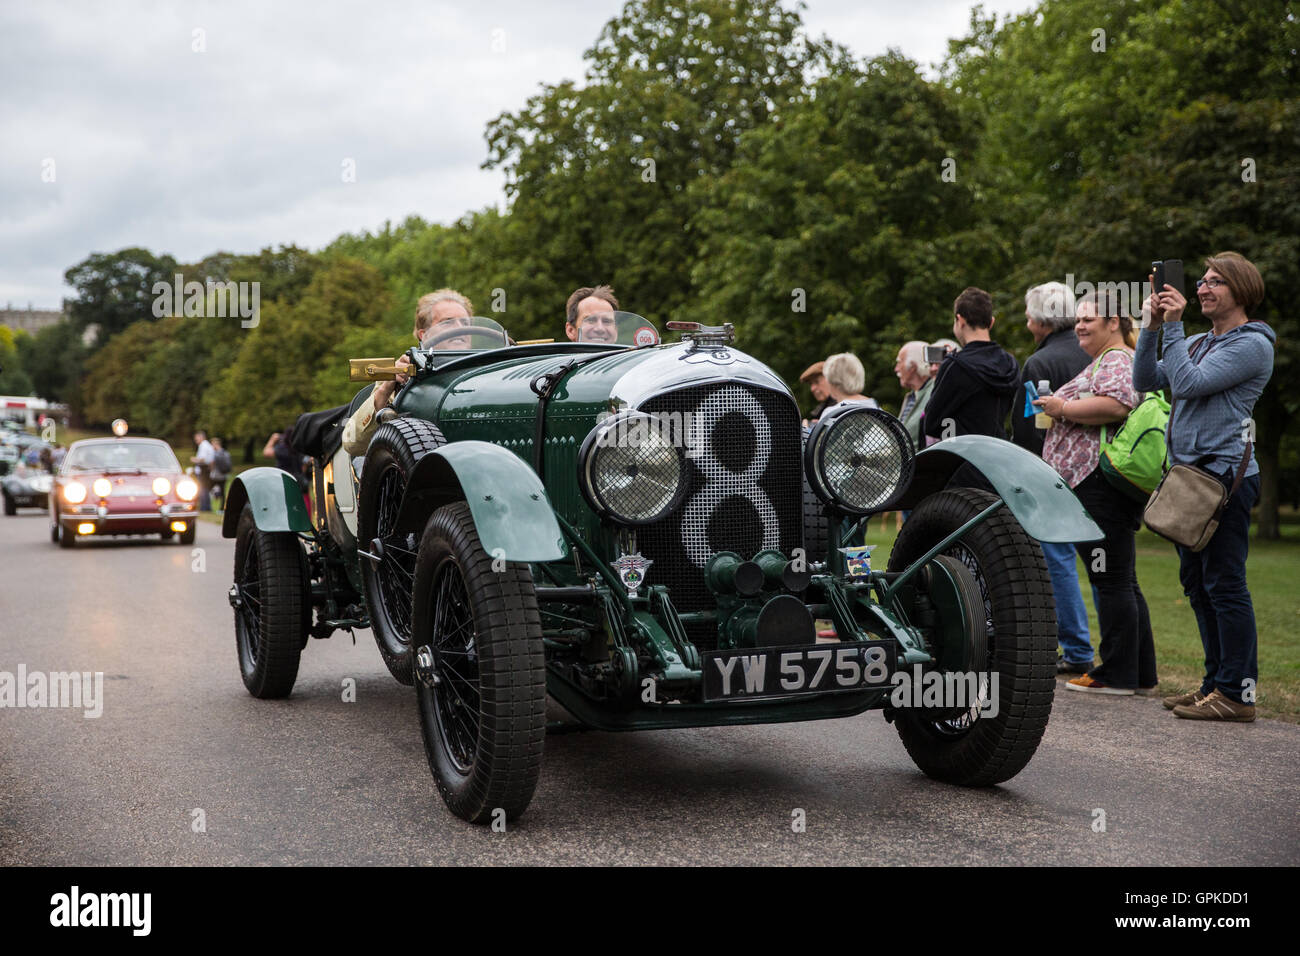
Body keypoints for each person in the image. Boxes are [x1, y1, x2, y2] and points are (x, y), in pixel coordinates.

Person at [1135, 252, 1275, 721]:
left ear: (1242, 292)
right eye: (1202, 280)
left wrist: (1172, 327)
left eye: (1217, 282)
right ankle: (1214, 684)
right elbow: (1144, 380)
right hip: (1189, 479)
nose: (1203, 288)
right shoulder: (1195, 341)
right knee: (1197, 585)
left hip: (1225, 481)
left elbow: (1190, 385)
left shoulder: (1252, 345)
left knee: (1226, 584)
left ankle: (1238, 695)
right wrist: (1152, 327)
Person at [1034, 291, 1153, 695]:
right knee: (1121, 579)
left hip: (1099, 484)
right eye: (1078, 319)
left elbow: (1117, 405)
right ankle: (1139, 672)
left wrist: (1060, 408)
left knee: (1111, 579)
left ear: (1114, 322)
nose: (1080, 325)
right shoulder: (1109, 359)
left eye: (1090, 319)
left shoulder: (1117, 359)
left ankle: (1116, 675)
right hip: (1098, 485)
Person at [1013, 282, 1095, 675]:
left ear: (1041, 320)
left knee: (1058, 560)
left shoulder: (1040, 363)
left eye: (1029, 316)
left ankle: (1078, 649)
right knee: (1107, 569)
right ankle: (1119, 657)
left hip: (1053, 470)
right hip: (1100, 469)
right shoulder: (1094, 351)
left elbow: (1029, 428)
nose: (1027, 323)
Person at [342, 289, 474, 456]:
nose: (460, 329)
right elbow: (352, 443)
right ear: (424, 335)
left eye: (465, 323)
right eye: (448, 322)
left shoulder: (491, 370)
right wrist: (387, 387)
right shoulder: (406, 373)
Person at [922, 289, 1020, 488]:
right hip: (1002, 464)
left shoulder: (956, 366)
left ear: (960, 320)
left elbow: (931, 422)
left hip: (964, 467)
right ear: (991, 322)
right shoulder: (1010, 363)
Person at [893, 341, 934, 449]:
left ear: (912, 367)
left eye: (899, 362)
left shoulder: (934, 393)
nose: (896, 369)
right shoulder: (911, 396)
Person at [193, 430, 215, 512]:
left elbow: (202, 458)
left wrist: (194, 460)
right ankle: (207, 506)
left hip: (203, 469)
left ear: (201, 437)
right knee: (205, 488)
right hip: (206, 469)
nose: (195, 440)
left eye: (196, 438)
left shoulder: (203, 445)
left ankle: (204, 507)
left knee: (202, 488)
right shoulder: (207, 445)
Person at [210, 437, 232, 511]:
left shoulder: (215, 454)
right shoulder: (226, 453)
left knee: (209, 489)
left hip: (216, 475)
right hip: (224, 475)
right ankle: (222, 508)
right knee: (223, 492)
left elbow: (212, 464)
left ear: (215, 444)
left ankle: (214, 498)